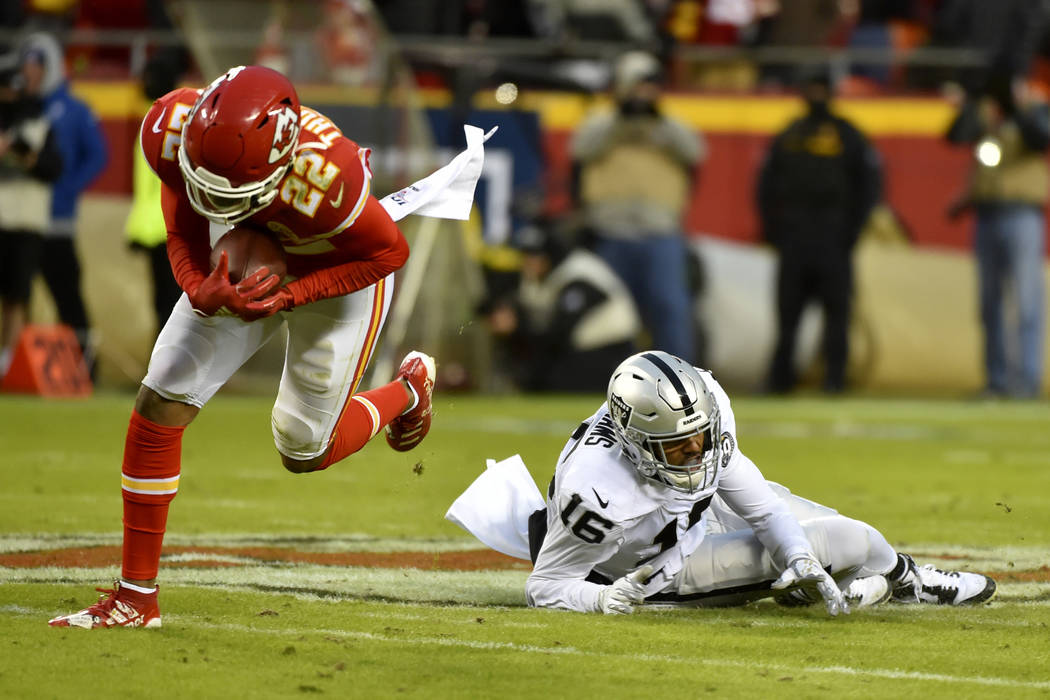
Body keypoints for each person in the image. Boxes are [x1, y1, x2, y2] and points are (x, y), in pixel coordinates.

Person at [47, 65, 459, 629]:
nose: (211, 197)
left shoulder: (328, 181)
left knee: (303, 450)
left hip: (335, 270)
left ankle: (409, 390)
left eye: (228, 191)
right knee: (160, 398)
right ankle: (136, 598)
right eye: (203, 181)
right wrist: (199, 287)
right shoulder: (169, 125)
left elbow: (386, 256)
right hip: (242, 261)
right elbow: (184, 223)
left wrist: (290, 296)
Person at [448, 351, 996, 614]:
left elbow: (760, 504)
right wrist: (602, 598)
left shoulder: (702, 415)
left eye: (702, 436)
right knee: (850, 541)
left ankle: (897, 579)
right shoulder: (594, 490)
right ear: (637, 442)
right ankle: (896, 584)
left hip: (686, 513)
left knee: (817, 541)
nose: (698, 450)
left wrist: (798, 556)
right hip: (655, 567)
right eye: (679, 446)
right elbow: (544, 587)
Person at [570, 50, 704, 364]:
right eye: (637, 85)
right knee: (612, 314)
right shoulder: (602, 125)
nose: (644, 93)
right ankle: (617, 381)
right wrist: (620, 117)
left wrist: (656, 118)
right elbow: (581, 149)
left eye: (650, 86)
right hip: (610, 232)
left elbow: (696, 150)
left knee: (670, 307)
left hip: (660, 232)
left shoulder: (669, 126)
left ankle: (681, 381)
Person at [758, 66, 882, 394]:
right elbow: (766, 186)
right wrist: (774, 230)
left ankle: (835, 381)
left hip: (833, 237)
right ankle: (780, 381)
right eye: (811, 88)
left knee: (837, 317)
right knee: (788, 317)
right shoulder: (789, 134)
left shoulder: (847, 135)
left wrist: (851, 231)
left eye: (821, 88)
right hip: (796, 237)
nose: (816, 96)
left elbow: (869, 187)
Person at [946, 72, 1048, 399]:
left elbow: (1041, 139)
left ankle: (1027, 380)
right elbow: (954, 136)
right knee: (990, 302)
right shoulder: (986, 116)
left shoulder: (1035, 109)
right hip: (986, 213)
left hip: (1022, 213)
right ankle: (997, 380)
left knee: (1027, 299)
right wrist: (974, 100)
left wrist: (1017, 109)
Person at [19, 32, 108, 374]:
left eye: (35, 64)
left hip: (57, 223)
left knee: (67, 296)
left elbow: (98, 155)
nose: (29, 73)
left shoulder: (73, 109)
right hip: (23, 219)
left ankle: (86, 369)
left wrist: (68, 189)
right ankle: (20, 366)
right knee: (17, 295)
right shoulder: (21, 108)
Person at [483, 220, 641, 392]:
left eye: (536, 256)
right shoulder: (540, 277)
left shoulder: (578, 274)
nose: (529, 262)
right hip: (581, 350)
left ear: (550, 255)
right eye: (526, 255)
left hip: (612, 351)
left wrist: (517, 328)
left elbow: (559, 333)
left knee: (549, 381)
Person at [0, 47, 63, 378]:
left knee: (17, 294)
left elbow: (54, 166)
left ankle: (8, 362)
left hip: (26, 220)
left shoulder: (39, 124)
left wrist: (23, 154)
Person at [124, 52, 184, 342]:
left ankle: (166, 372)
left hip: (165, 228)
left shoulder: (160, 122)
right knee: (166, 304)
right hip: (159, 227)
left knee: (170, 305)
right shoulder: (163, 120)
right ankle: (165, 371)